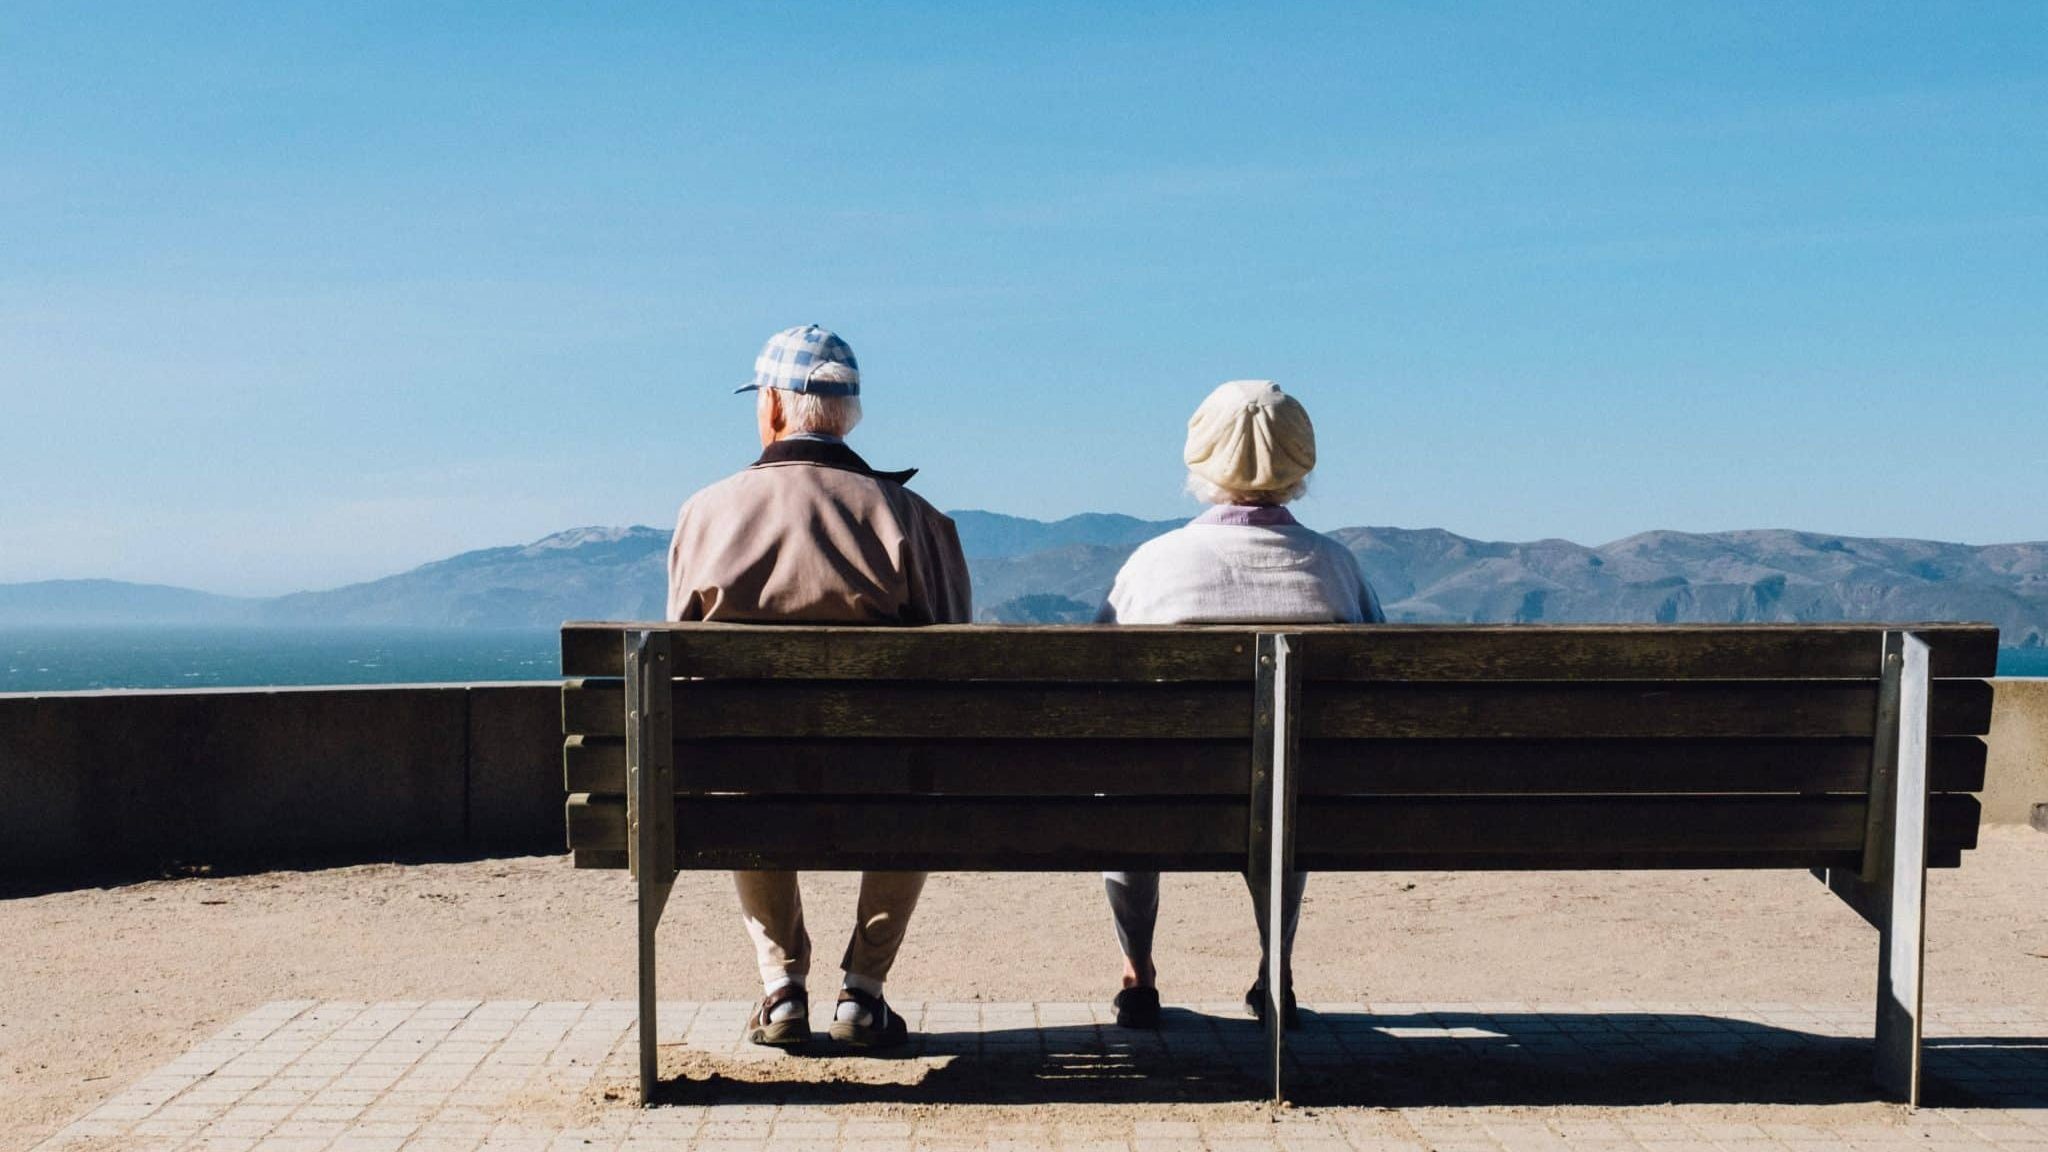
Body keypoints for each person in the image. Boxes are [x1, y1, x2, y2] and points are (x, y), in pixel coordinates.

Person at [667, 324, 972, 1049]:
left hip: (753, 780)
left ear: (772, 407)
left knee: (738, 769)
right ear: (849, 416)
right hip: (886, 780)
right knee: (918, 776)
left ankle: (781, 990)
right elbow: (962, 667)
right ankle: (863, 992)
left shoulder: (705, 514)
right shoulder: (915, 522)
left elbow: (678, 672)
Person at [1095, 379, 1383, 1031]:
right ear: (1301, 461)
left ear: (1200, 459)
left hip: (1166, 799)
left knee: (1126, 793)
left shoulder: (1153, 566)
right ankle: (1273, 970)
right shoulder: (1336, 569)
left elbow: (1097, 689)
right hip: (1299, 802)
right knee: (1283, 786)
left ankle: (1138, 974)